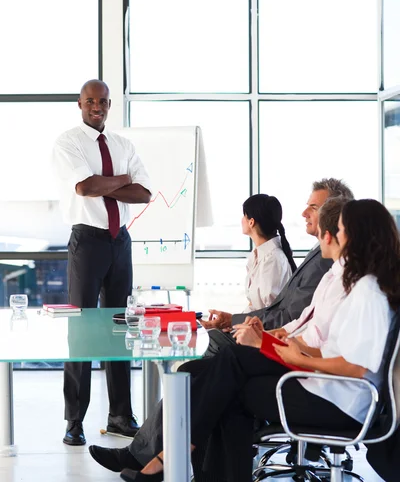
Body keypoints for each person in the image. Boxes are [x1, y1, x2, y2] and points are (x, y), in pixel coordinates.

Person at [89, 199, 400, 482]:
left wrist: (299, 359)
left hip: (338, 402)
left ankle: (172, 456)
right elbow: (329, 341)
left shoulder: (367, 291)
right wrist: (283, 342)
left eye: (341, 229)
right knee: (209, 379)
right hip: (320, 385)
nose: (332, 234)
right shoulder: (350, 282)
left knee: (228, 377)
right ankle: (172, 459)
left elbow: (357, 367)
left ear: (356, 237)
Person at [53, 79, 152, 446]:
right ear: (80, 104)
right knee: (80, 330)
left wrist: (107, 182)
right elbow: (84, 188)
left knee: (118, 328)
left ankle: (120, 416)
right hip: (87, 241)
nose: (98, 106)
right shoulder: (69, 142)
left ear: (110, 105)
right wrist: (120, 180)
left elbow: (143, 193)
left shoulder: (123, 145)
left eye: (104, 101)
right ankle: (74, 420)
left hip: (119, 241)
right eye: (91, 101)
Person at [201, 178, 354, 355]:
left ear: (333, 215)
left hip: (286, 346)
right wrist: (239, 324)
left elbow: (291, 317)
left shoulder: (323, 263)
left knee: (214, 347)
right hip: (275, 335)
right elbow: (293, 317)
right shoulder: (318, 256)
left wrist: (247, 329)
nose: (304, 213)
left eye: (313, 207)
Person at [270, 195, 348, 349]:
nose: (304, 213)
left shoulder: (338, 275)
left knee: (230, 357)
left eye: (313, 207)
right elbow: (304, 321)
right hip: (293, 345)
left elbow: (321, 344)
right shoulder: (330, 273)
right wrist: (265, 336)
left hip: (301, 358)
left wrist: (266, 341)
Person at [239, 194, 296, 313]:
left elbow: (270, 313)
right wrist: (231, 322)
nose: (241, 220)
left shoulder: (273, 259)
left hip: (263, 329)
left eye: (244, 215)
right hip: (252, 325)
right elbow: (254, 306)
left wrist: (233, 322)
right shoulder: (257, 255)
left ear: (251, 222)